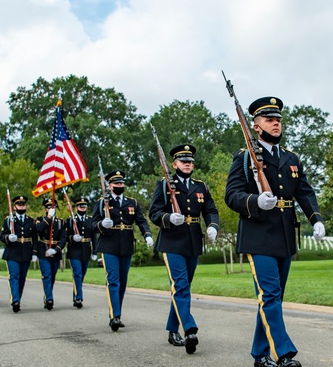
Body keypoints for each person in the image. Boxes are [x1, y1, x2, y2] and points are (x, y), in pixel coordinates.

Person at [225, 96, 325, 367]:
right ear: (256, 126)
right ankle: (284, 355)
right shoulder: (245, 158)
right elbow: (231, 195)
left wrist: (316, 218)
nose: (276, 123)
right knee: (270, 295)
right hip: (258, 235)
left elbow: (304, 191)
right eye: (269, 119)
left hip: (284, 235)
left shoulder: (291, 158)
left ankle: (259, 351)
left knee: (273, 297)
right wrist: (255, 201)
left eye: (278, 119)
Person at [148, 144, 220, 354]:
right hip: (171, 242)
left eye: (190, 161)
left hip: (192, 241)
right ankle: (189, 330)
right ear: (174, 164)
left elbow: (210, 210)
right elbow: (154, 212)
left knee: (183, 287)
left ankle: (172, 330)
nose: (187, 164)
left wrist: (213, 225)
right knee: (180, 285)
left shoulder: (201, 187)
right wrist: (168, 217)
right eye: (183, 161)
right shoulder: (164, 185)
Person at [90, 170, 152, 331]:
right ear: (109, 186)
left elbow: (141, 220)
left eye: (122, 183)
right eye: (116, 183)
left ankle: (117, 313)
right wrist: (102, 224)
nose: (120, 185)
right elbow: (92, 225)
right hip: (108, 245)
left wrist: (147, 235)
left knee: (123, 282)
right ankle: (114, 316)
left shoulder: (132, 203)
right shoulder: (102, 202)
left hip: (126, 244)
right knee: (113, 280)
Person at [0, 194, 36, 313]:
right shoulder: (9, 220)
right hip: (12, 252)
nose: (21, 206)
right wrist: (8, 237)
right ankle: (15, 300)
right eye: (19, 204)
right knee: (14, 276)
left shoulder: (31, 221)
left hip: (25, 251)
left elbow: (35, 238)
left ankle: (18, 298)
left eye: (23, 204)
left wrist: (34, 252)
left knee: (22, 278)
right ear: (14, 207)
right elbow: (1, 235)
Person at [34, 196, 67, 310]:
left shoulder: (61, 222)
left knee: (52, 276)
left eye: (52, 207)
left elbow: (64, 238)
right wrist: (48, 218)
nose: (50, 209)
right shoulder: (40, 219)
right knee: (47, 275)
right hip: (43, 250)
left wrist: (57, 249)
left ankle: (47, 295)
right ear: (45, 209)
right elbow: (38, 230)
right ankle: (49, 299)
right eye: (48, 207)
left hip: (55, 251)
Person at [64, 196, 96, 308]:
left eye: (84, 206)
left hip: (86, 250)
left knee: (82, 275)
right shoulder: (70, 220)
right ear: (76, 207)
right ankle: (79, 298)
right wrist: (72, 237)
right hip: (74, 251)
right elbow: (65, 236)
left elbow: (94, 237)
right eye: (80, 207)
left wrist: (94, 251)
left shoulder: (90, 220)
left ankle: (76, 294)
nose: (83, 208)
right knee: (77, 273)